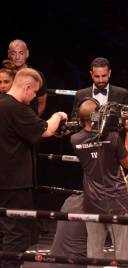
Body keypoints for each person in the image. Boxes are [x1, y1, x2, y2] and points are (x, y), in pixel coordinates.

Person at [0, 68, 68, 268]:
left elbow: (27, 133)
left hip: (5, 180)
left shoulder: (3, 105)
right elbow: (45, 130)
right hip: (14, 183)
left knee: (7, 230)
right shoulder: (15, 107)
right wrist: (58, 115)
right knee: (18, 232)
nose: (34, 98)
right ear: (27, 86)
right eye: (34, 92)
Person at [70, 98, 128, 266]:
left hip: (92, 201)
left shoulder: (75, 140)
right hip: (118, 200)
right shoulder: (113, 137)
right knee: (123, 253)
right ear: (96, 116)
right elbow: (127, 162)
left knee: (94, 253)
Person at [8, 39, 47, 115]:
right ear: (9, 54)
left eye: (21, 53)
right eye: (13, 53)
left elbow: (41, 102)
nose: (17, 57)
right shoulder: (4, 74)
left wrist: (34, 121)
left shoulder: (36, 75)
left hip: (28, 118)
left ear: (27, 54)